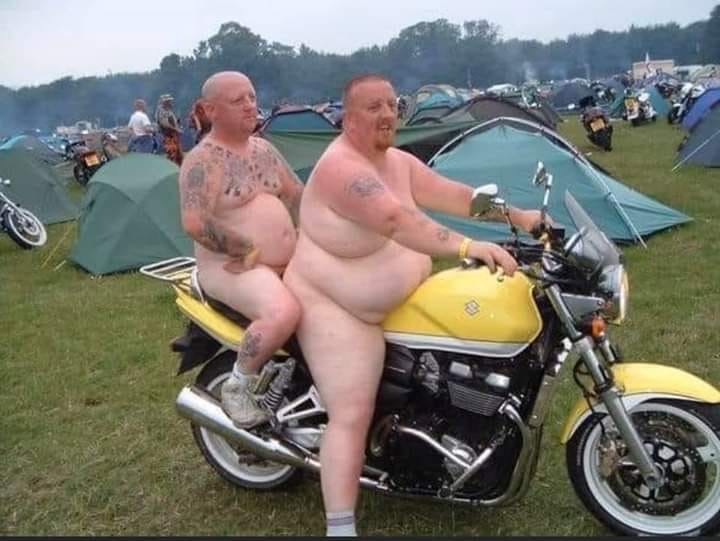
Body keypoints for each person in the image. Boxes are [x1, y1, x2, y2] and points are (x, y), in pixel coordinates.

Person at [282, 74, 545, 537]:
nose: (387, 114)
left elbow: (456, 195)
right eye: (373, 107)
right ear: (347, 118)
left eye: (392, 104)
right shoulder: (342, 168)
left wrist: (520, 216)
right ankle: (340, 527)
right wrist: (467, 247)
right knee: (352, 413)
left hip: (399, 301)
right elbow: (394, 220)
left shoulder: (397, 162)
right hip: (338, 306)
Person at [177, 71, 304, 428]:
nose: (250, 105)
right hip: (232, 266)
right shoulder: (203, 160)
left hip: (288, 260)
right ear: (210, 110)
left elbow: (297, 194)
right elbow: (195, 222)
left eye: (251, 96)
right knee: (282, 312)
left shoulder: (264, 149)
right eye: (238, 100)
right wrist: (246, 250)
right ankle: (238, 385)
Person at [156, 94, 183, 165]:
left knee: (177, 155)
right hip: (168, 136)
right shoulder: (162, 111)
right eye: (169, 101)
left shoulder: (168, 111)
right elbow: (164, 123)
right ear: (165, 102)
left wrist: (177, 123)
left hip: (172, 135)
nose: (171, 102)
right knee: (172, 153)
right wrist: (175, 129)